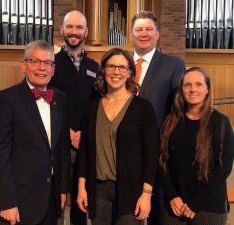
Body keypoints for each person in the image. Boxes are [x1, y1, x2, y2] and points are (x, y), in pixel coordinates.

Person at [0, 40, 71, 225]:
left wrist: (63, 189)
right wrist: (6, 202)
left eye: (48, 63)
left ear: (53, 69)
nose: (42, 68)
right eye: (35, 61)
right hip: (18, 201)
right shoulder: (6, 99)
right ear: (24, 65)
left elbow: (62, 149)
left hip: (52, 199)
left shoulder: (61, 99)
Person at [76, 48, 158, 225]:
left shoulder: (143, 108)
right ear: (103, 70)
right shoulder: (92, 107)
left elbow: (151, 155)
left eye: (122, 67)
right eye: (111, 66)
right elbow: (84, 151)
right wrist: (82, 187)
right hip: (97, 190)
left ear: (129, 72)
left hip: (131, 189)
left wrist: (146, 194)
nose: (116, 72)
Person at [130, 10, 186, 225]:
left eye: (149, 29)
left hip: (157, 150)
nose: (144, 33)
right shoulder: (120, 63)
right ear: (132, 35)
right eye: (139, 29)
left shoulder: (173, 65)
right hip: (123, 149)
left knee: (157, 215)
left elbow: (178, 109)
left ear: (158, 34)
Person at [159, 67, 234, 225]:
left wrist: (195, 203)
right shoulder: (170, 122)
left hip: (209, 207)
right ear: (182, 90)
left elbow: (224, 168)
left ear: (207, 89)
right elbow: (161, 162)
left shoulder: (221, 122)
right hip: (174, 206)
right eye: (188, 85)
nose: (193, 89)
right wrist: (172, 196)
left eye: (199, 84)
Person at [49, 10, 99, 225]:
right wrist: (68, 128)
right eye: (70, 26)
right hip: (59, 140)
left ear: (86, 32)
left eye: (79, 27)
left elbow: (96, 105)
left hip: (85, 142)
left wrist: (83, 131)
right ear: (61, 30)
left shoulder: (94, 67)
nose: (74, 32)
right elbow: (47, 100)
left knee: (81, 201)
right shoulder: (51, 63)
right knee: (57, 199)